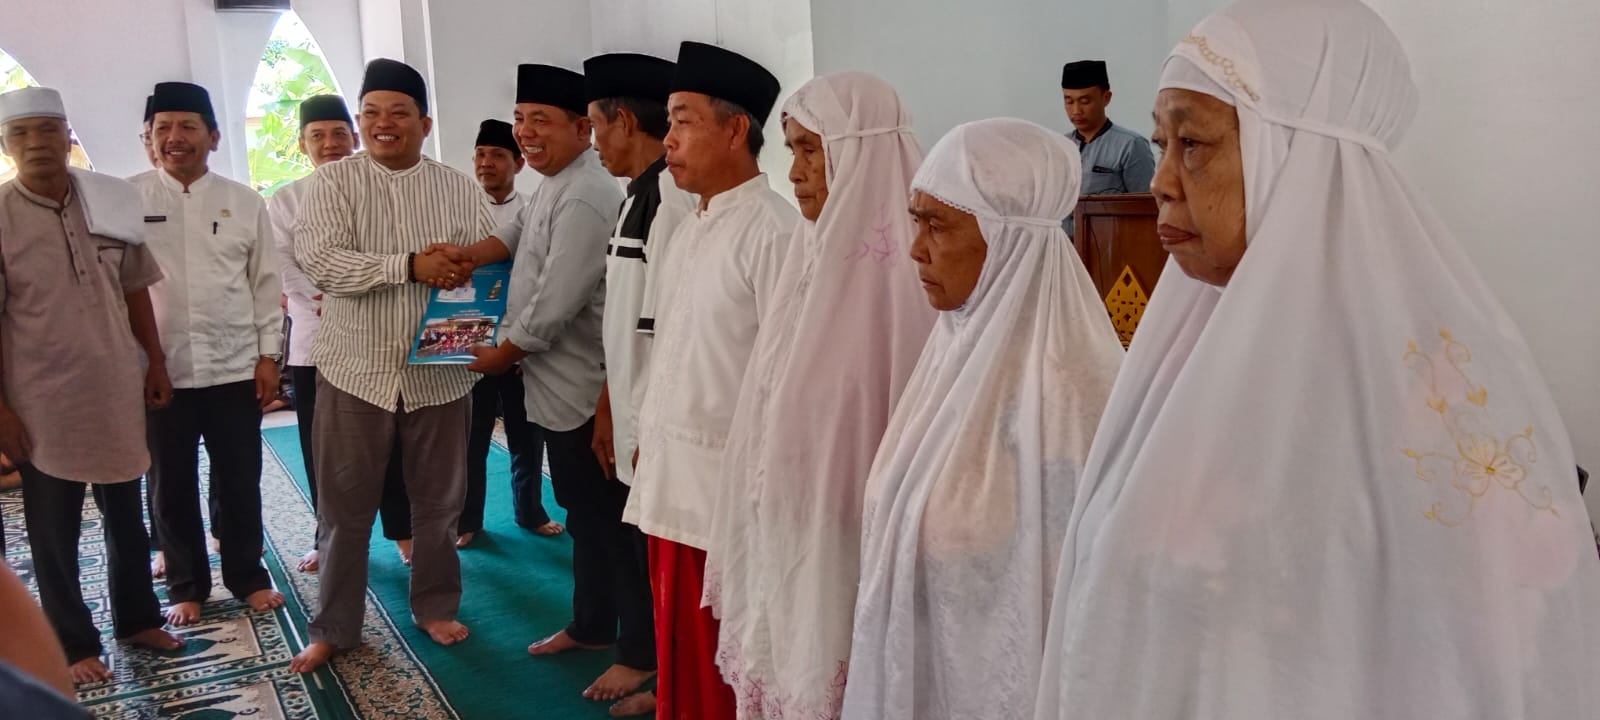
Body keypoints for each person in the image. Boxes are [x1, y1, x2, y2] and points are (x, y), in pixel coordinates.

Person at [1033, 1, 1600, 718]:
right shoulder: (1174, 352)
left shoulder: (1436, 403)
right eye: (1159, 142)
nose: (1161, 180)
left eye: (1193, 144)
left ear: (1292, 158)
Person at [839, 118, 1124, 720]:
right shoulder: (952, 351)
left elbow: (1064, 606)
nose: (916, 247)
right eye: (916, 220)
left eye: (937, 224)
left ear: (1008, 239)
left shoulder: (1069, 391)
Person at [699, 72, 936, 720]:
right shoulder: (808, 258)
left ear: (858, 155)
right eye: (792, 149)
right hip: (794, 528)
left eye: (811, 150)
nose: (796, 171)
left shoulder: (910, 287)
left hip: (856, 546)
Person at [289, 58, 490, 674]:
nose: (383, 124)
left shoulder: (457, 186)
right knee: (344, 509)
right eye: (371, 113)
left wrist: (461, 262)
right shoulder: (331, 184)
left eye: (398, 113)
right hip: (355, 370)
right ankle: (334, 626)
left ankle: (434, 607)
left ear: (424, 123)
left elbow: (486, 262)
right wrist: (408, 265)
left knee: (438, 504)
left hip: (440, 372)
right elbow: (323, 263)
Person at [438, 63, 630, 691]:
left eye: (539, 121)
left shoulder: (588, 193)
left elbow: (558, 301)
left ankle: (627, 639)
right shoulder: (553, 183)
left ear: (583, 127)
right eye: (521, 120)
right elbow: (509, 237)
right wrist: (461, 257)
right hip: (552, 384)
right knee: (583, 515)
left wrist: (501, 354)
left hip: (583, 388)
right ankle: (593, 623)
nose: (526, 133)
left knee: (603, 521)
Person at [631, 41, 795, 720]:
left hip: (725, 493)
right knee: (679, 655)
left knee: (722, 661)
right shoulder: (688, 225)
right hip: (672, 477)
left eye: (684, 120)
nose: (667, 139)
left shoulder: (773, 231)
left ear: (735, 130)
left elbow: (784, 378)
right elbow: (676, 350)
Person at [0, 86, 184, 684]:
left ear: (67, 136)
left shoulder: (109, 199)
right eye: (20, 134)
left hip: (114, 386)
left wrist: (154, 363)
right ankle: (72, 642)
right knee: (53, 527)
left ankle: (136, 618)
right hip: (39, 397)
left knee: (127, 513)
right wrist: (2, 410)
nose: (36, 144)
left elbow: (134, 288)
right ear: (6, 146)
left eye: (47, 130)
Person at [132, 81, 285, 627]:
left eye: (188, 126)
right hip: (159, 371)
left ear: (213, 136)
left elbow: (265, 284)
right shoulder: (126, 201)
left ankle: (247, 575)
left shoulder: (244, 202)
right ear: (147, 139)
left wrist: (269, 356)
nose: (175, 138)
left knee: (239, 477)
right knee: (169, 485)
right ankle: (186, 584)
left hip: (234, 366)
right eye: (163, 128)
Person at [584, 50, 695, 717]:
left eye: (597, 129)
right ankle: (655, 663)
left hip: (657, 417)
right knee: (638, 545)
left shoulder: (667, 198)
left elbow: (665, 336)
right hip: (631, 411)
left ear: (625, 121)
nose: (596, 144)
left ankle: (666, 675)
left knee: (663, 555)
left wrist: (641, 420)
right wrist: (608, 406)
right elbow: (626, 327)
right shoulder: (641, 196)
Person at [267, 94, 414, 573]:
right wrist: (335, 298)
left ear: (353, 137)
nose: (329, 144)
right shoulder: (285, 200)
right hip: (317, 342)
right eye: (317, 136)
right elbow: (285, 266)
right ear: (304, 144)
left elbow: (389, 254)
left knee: (391, 442)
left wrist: (359, 294)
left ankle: (403, 530)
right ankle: (324, 535)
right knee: (322, 449)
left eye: (337, 134)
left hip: (379, 337)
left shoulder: (381, 187)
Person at [461, 116, 553, 547]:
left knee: (525, 435)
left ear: (518, 163)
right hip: (473, 344)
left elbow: (543, 281)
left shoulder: (535, 210)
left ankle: (530, 512)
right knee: (471, 438)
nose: (485, 163)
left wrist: (523, 344)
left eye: (496, 155)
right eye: (480, 155)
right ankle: (467, 521)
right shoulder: (460, 211)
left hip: (519, 345)